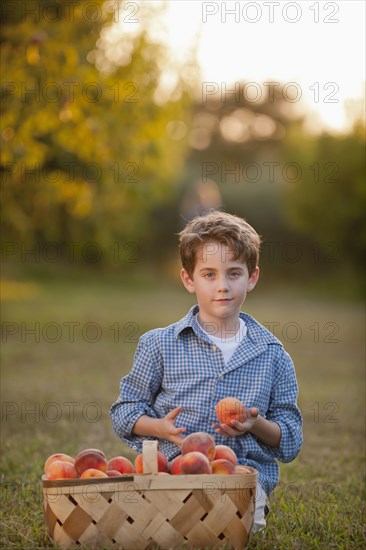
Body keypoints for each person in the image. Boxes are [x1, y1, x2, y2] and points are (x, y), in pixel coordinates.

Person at [110, 210, 303, 532]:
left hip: (239, 480)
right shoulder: (159, 344)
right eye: (209, 274)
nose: (223, 286)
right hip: (171, 477)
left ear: (252, 277)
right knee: (162, 527)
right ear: (189, 279)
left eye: (234, 273)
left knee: (228, 528)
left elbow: (291, 440)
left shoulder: (273, 356)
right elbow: (124, 410)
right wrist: (159, 428)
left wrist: (256, 424)